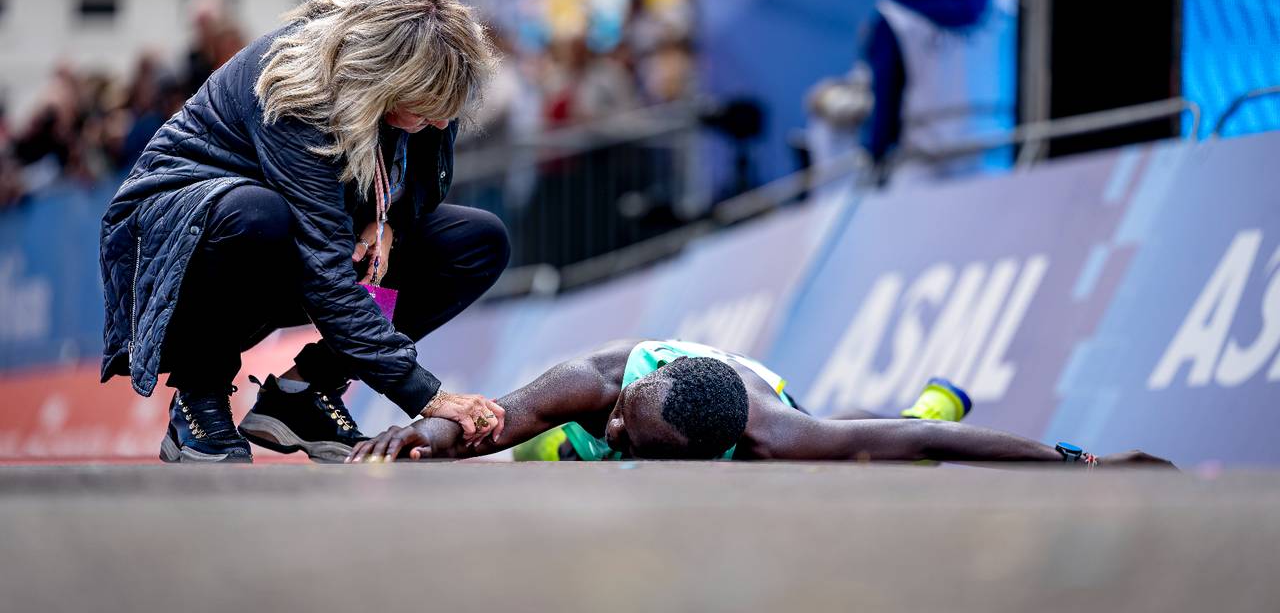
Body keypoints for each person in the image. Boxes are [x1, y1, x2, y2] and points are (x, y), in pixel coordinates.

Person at [99, 0, 509, 464]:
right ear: (380, 77)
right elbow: (326, 274)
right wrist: (428, 397)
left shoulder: (433, 77)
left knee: (477, 240)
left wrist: (387, 220)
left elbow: (419, 185)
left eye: (448, 110)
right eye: (426, 110)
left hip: (290, 240)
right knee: (258, 215)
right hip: (181, 248)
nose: (441, 124)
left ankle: (304, 394)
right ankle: (199, 395)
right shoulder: (298, 89)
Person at [347, 339, 1173, 468]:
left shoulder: (778, 433)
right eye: (621, 414)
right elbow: (482, 419)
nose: (613, 425)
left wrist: (1083, 463)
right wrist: (419, 434)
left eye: (628, 435)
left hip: (758, 391)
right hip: (631, 396)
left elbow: (920, 444)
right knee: (547, 450)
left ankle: (938, 394)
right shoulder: (592, 387)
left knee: (893, 452)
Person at [858, 0, 1018, 183]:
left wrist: (874, 157)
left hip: (925, 175)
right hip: (997, 166)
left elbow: (885, 109)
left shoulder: (894, 16)